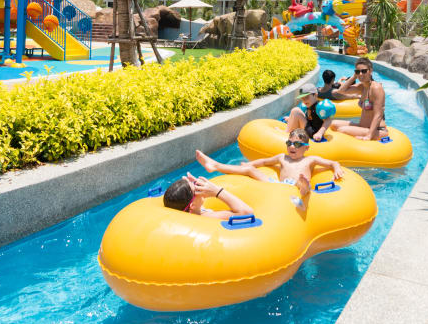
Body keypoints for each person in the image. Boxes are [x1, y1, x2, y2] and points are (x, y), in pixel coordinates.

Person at [194, 128, 345, 201]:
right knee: (249, 169)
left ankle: (305, 187)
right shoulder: (282, 157)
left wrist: (336, 167)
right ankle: (215, 166)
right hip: (277, 184)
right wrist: (249, 164)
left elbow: (332, 162)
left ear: (306, 147)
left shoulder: (310, 159)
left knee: (303, 184)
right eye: (289, 143)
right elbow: (264, 162)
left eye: (297, 144)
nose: (292, 147)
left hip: (296, 187)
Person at [330, 57, 388, 140]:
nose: (360, 74)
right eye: (357, 71)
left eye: (364, 71)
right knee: (333, 124)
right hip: (363, 126)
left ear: (370, 71)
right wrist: (354, 77)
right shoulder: (362, 87)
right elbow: (341, 91)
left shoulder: (376, 88)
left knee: (342, 130)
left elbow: (378, 115)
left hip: (376, 130)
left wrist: (369, 136)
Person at [162, 172, 254, 219]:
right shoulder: (207, 217)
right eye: (196, 188)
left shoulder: (194, 211)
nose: (199, 186)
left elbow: (188, 198)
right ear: (192, 205)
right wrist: (217, 192)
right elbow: (247, 212)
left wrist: (194, 187)